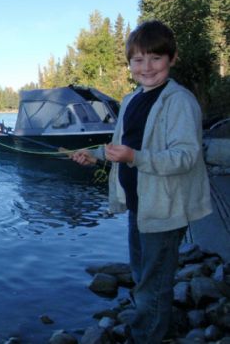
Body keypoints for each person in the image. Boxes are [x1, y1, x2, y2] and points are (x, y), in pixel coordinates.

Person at [71, 20, 212, 343]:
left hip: (165, 210)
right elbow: (122, 145)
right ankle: (161, 327)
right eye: (138, 60)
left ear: (172, 58)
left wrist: (135, 158)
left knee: (153, 284)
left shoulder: (179, 101)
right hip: (140, 205)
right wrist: (95, 154)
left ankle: (147, 335)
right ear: (129, 63)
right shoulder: (132, 99)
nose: (146, 67)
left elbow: (185, 157)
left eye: (156, 58)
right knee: (142, 275)